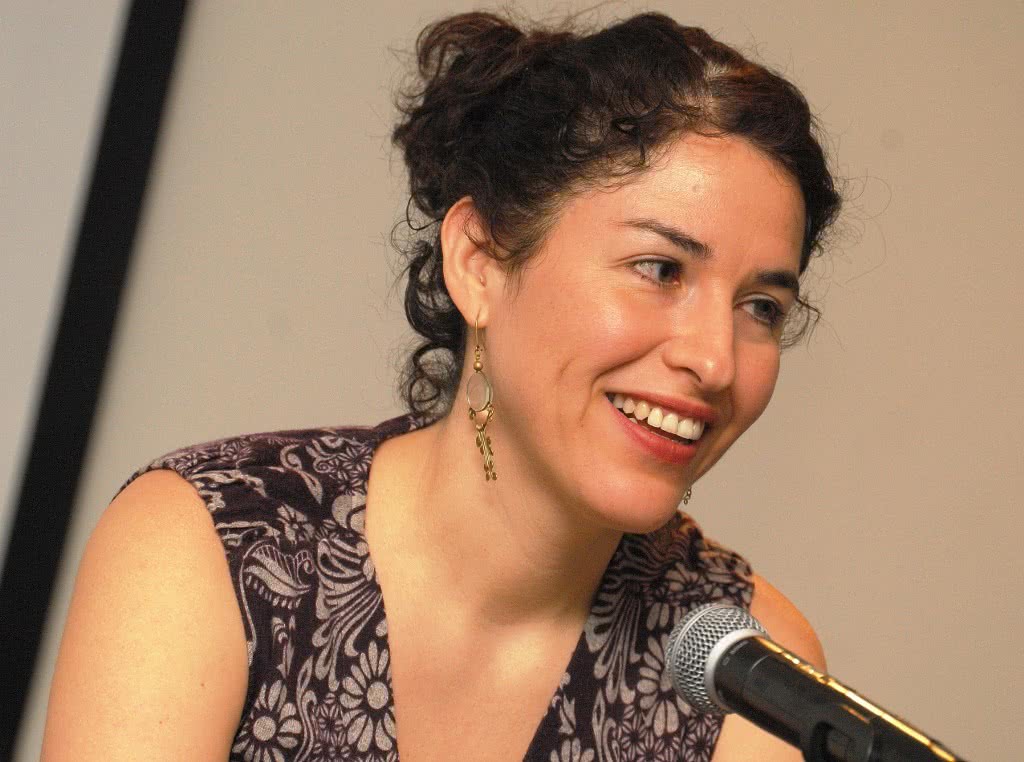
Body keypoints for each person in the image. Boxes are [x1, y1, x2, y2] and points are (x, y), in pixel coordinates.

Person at [41, 10, 841, 762]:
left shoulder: (752, 674)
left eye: (761, 308)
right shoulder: (216, 550)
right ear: (479, 263)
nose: (716, 361)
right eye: (660, 269)